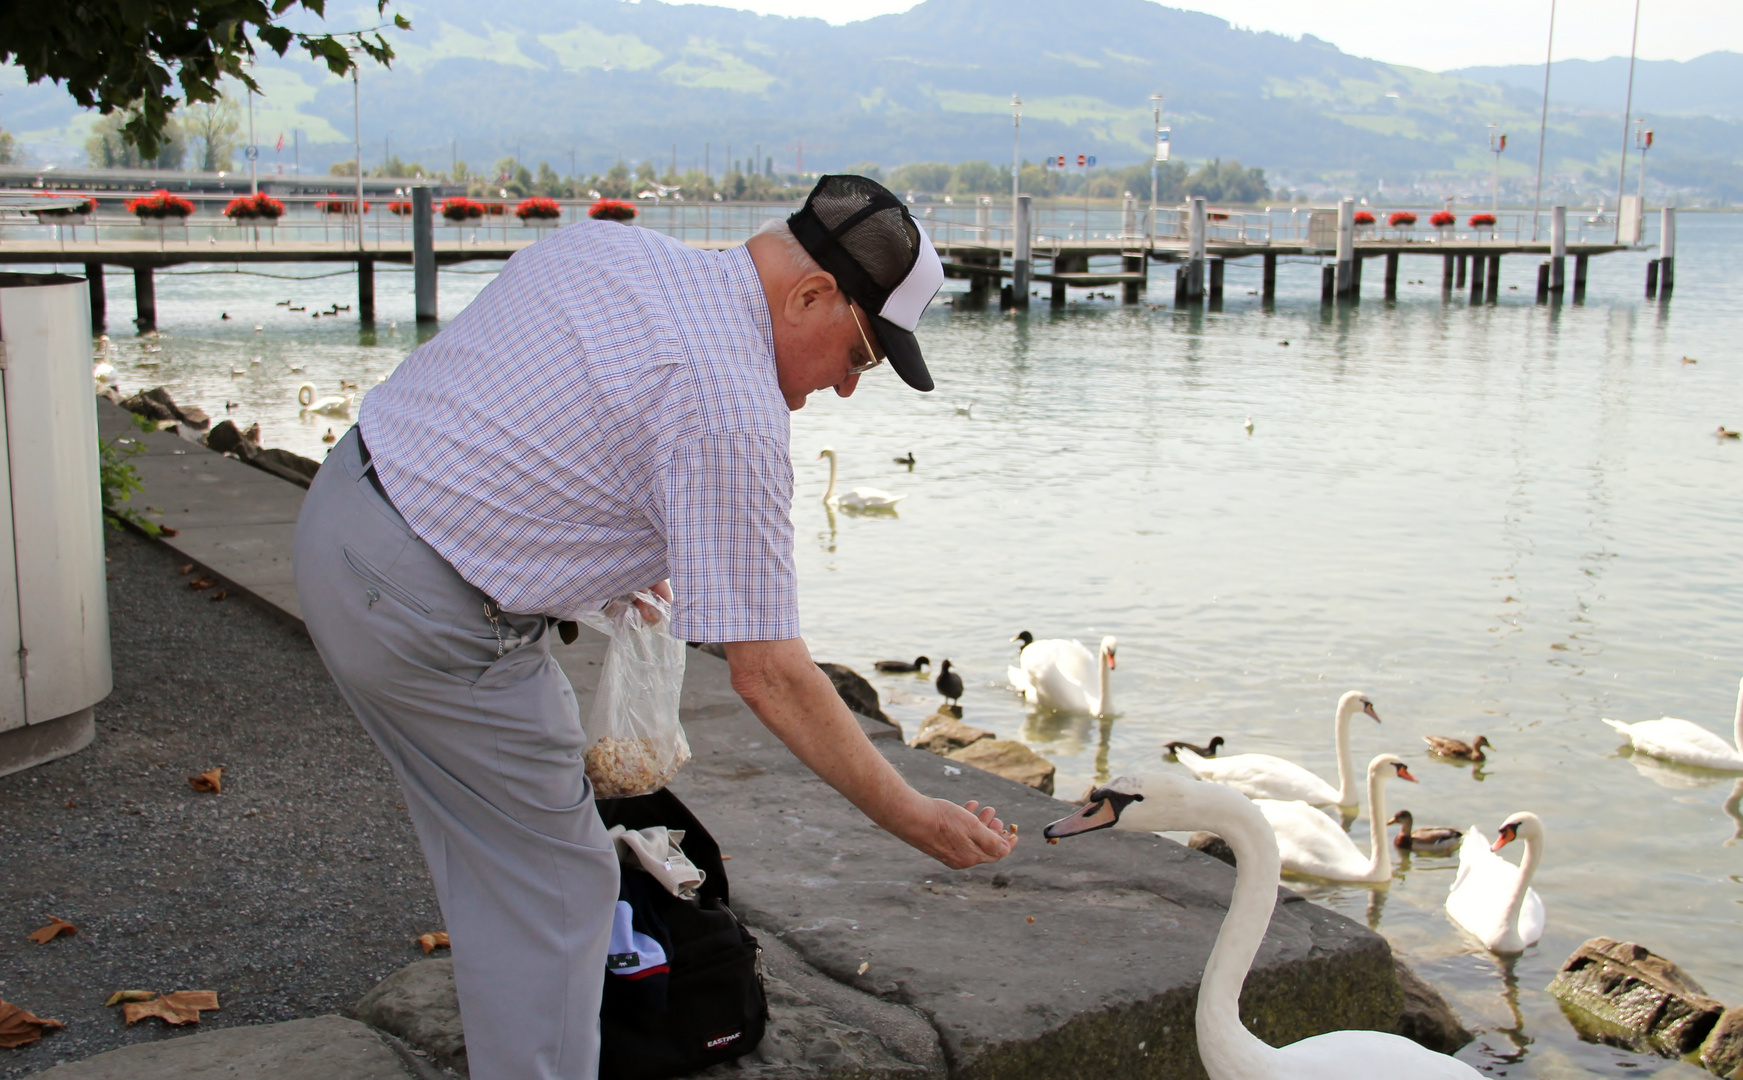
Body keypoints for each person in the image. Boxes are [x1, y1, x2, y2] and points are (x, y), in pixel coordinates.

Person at [291, 175, 1017, 1080]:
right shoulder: (729, 405)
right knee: (560, 889)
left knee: (503, 866)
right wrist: (915, 816)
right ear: (809, 294)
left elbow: (521, 414)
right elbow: (770, 675)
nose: (844, 389)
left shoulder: (615, 249)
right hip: (424, 617)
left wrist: (595, 560)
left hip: (345, 514)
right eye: (863, 355)